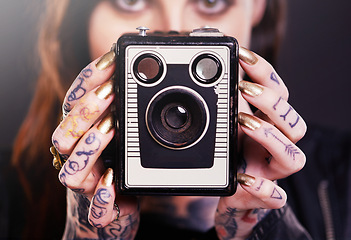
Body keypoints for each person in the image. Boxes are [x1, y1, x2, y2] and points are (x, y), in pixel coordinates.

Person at [8, 0, 320, 239]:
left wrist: (270, 230)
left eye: (210, 2)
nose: (175, 32)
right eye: (131, 1)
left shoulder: (339, 172)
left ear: (257, 7)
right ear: (82, 17)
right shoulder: (9, 194)